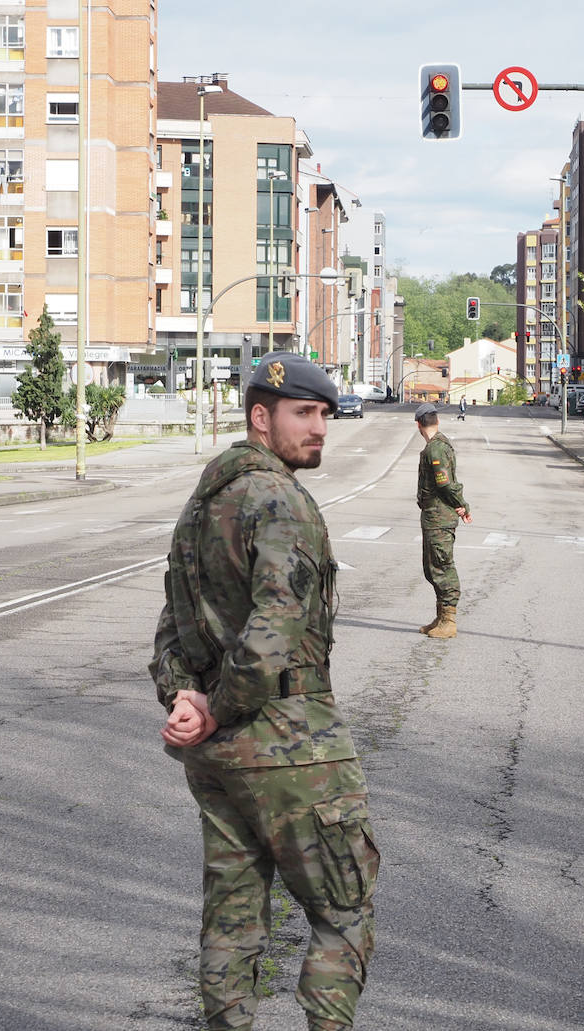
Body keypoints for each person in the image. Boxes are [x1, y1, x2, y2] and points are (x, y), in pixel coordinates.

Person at [150, 352, 378, 1031]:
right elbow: (276, 624)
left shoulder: (204, 503)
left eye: (324, 415)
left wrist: (184, 701)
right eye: (304, 413)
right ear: (260, 416)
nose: (320, 429)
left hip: (217, 756)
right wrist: (215, 704)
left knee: (233, 915)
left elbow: (172, 629)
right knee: (344, 909)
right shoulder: (278, 500)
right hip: (291, 741)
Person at [414, 403, 473, 639]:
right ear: (436, 422)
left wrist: (461, 505)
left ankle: (449, 620)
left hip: (440, 516)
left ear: (418, 424)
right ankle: (441, 616)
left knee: (441, 565)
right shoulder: (437, 445)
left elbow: (445, 483)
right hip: (433, 516)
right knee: (432, 568)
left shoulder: (435, 450)